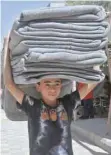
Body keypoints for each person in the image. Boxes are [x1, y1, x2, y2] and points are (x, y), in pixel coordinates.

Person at [3, 36, 99, 155]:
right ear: (38, 86)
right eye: (47, 84)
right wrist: (6, 49)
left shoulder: (68, 103)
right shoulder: (32, 105)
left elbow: (93, 83)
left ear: (61, 86)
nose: (52, 88)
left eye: (56, 83)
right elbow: (9, 84)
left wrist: (95, 51)